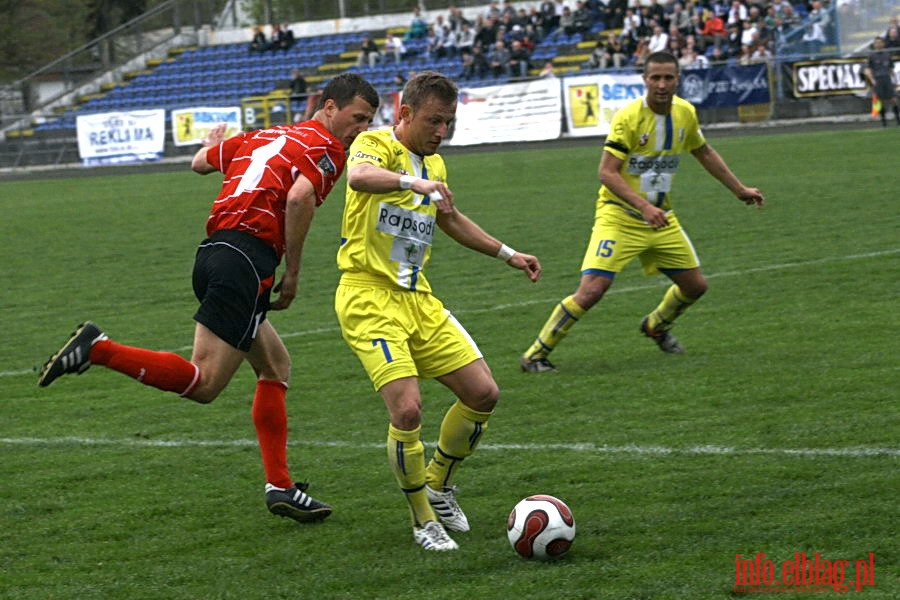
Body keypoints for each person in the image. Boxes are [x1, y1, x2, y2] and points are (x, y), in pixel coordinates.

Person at [38, 73, 379, 522]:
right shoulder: (327, 148)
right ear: (329, 107)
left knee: (275, 365)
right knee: (204, 384)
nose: (361, 130)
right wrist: (292, 272)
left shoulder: (263, 135)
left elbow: (199, 164)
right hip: (247, 260)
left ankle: (280, 487)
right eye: (357, 118)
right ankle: (99, 349)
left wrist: (212, 143)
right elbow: (299, 199)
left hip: (214, 253)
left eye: (369, 122)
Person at [335, 71, 542, 551]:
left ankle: (440, 483)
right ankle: (423, 519)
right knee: (407, 410)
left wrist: (508, 254)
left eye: (448, 122)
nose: (440, 131)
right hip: (368, 298)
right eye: (433, 120)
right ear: (403, 113)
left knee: (483, 392)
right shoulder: (376, 145)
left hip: (418, 298)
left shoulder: (437, 166)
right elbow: (359, 177)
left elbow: (449, 218)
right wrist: (412, 182)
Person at [520, 52, 764, 373]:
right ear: (644, 80)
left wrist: (739, 189)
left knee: (695, 286)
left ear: (678, 79)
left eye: (668, 78)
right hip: (619, 217)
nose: (662, 85)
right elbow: (607, 172)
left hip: (661, 218)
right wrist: (644, 206)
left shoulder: (685, 114)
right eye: (655, 78)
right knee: (592, 290)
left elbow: (703, 151)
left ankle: (656, 326)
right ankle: (535, 355)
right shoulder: (629, 117)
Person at [864, 36, 900, 127]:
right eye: (877, 43)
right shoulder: (871, 56)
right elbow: (868, 70)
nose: (879, 44)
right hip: (878, 79)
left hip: (887, 79)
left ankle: (898, 120)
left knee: (894, 99)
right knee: (880, 101)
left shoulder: (887, 55)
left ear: (883, 44)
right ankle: (884, 123)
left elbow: (891, 69)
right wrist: (872, 80)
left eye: (880, 42)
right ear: (874, 45)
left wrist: (895, 79)